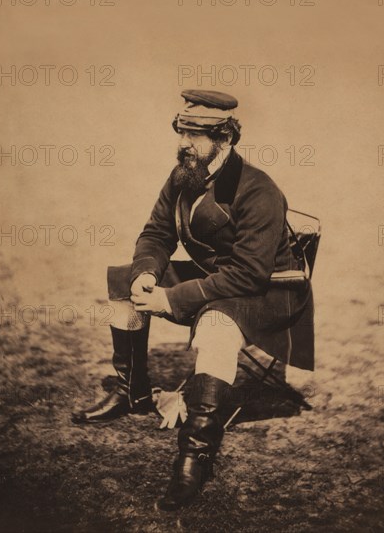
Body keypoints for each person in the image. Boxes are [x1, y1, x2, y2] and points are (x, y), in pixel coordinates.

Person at [72, 89, 314, 510]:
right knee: (123, 279)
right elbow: (155, 234)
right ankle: (133, 391)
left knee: (217, 323)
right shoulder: (183, 174)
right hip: (220, 279)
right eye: (182, 130)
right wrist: (147, 272)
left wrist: (169, 299)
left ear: (226, 138)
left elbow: (249, 273)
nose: (184, 142)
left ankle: (196, 454)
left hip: (271, 292)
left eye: (197, 134)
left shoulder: (259, 190)